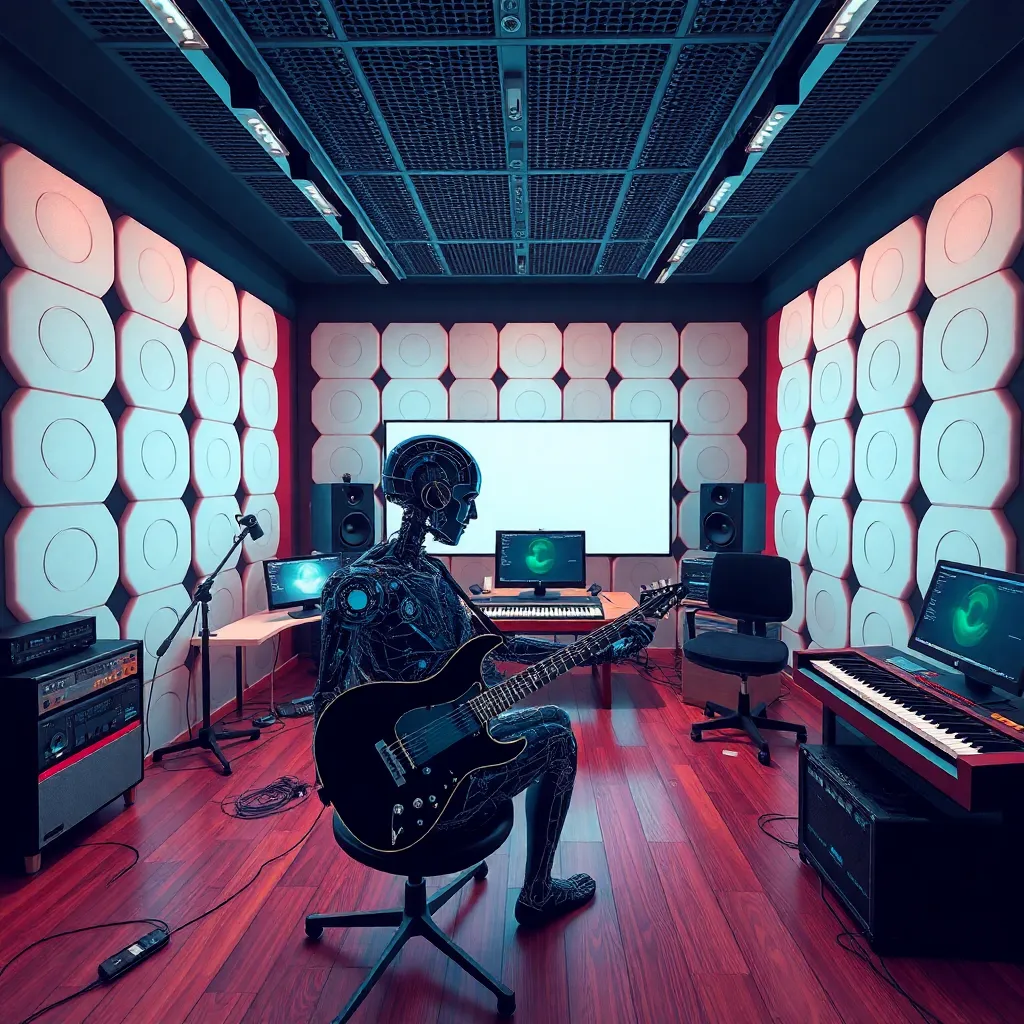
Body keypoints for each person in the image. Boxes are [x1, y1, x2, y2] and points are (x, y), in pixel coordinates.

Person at [314, 435, 655, 926]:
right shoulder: (363, 588)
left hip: (443, 741)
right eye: (465, 502)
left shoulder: (432, 574)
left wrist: (602, 645)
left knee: (558, 717)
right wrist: (335, 775)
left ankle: (538, 887)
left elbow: (496, 646)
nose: (470, 517)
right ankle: (536, 894)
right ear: (434, 497)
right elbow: (328, 691)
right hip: (407, 794)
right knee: (559, 743)